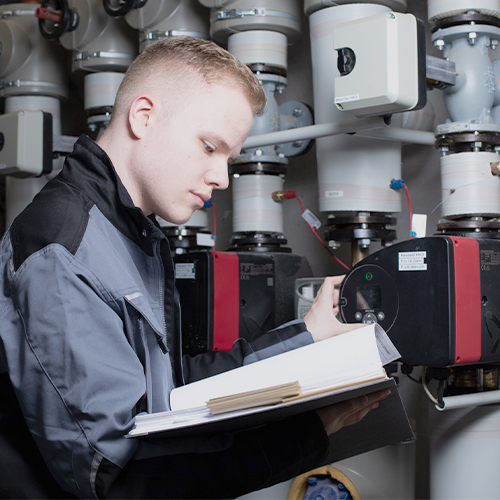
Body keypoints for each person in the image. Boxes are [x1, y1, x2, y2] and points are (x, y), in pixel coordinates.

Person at [0, 36, 387, 499]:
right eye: (209, 146)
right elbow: (115, 478)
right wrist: (308, 433)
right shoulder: (61, 244)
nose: (222, 178)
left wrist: (307, 337)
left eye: (230, 158)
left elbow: (171, 396)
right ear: (143, 117)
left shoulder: (131, 232)